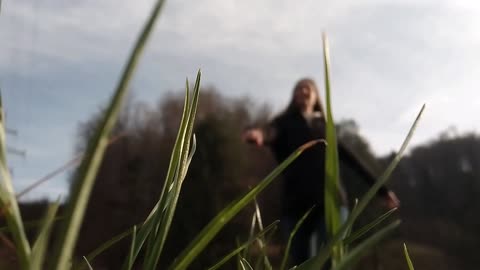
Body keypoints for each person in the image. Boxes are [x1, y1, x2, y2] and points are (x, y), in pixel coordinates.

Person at [242, 78, 399, 266]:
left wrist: (382, 190)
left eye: (307, 88)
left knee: (330, 258)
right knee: (299, 261)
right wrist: (257, 135)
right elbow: (269, 132)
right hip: (296, 203)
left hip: (331, 201)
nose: (302, 92)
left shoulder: (325, 127)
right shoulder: (283, 123)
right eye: (298, 89)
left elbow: (353, 161)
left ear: (316, 95)